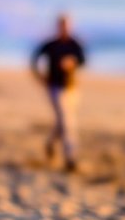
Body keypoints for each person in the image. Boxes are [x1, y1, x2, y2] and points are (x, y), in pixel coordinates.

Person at [31, 14, 86, 172]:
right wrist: (40, 77)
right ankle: (71, 158)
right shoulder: (51, 44)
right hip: (54, 87)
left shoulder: (75, 44)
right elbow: (34, 59)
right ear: (58, 26)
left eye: (67, 25)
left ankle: (50, 143)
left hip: (72, 88)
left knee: (63, 121)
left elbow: (83, 59)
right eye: (62, 25)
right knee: (68, 122)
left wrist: (72, 62)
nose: (64, 28)